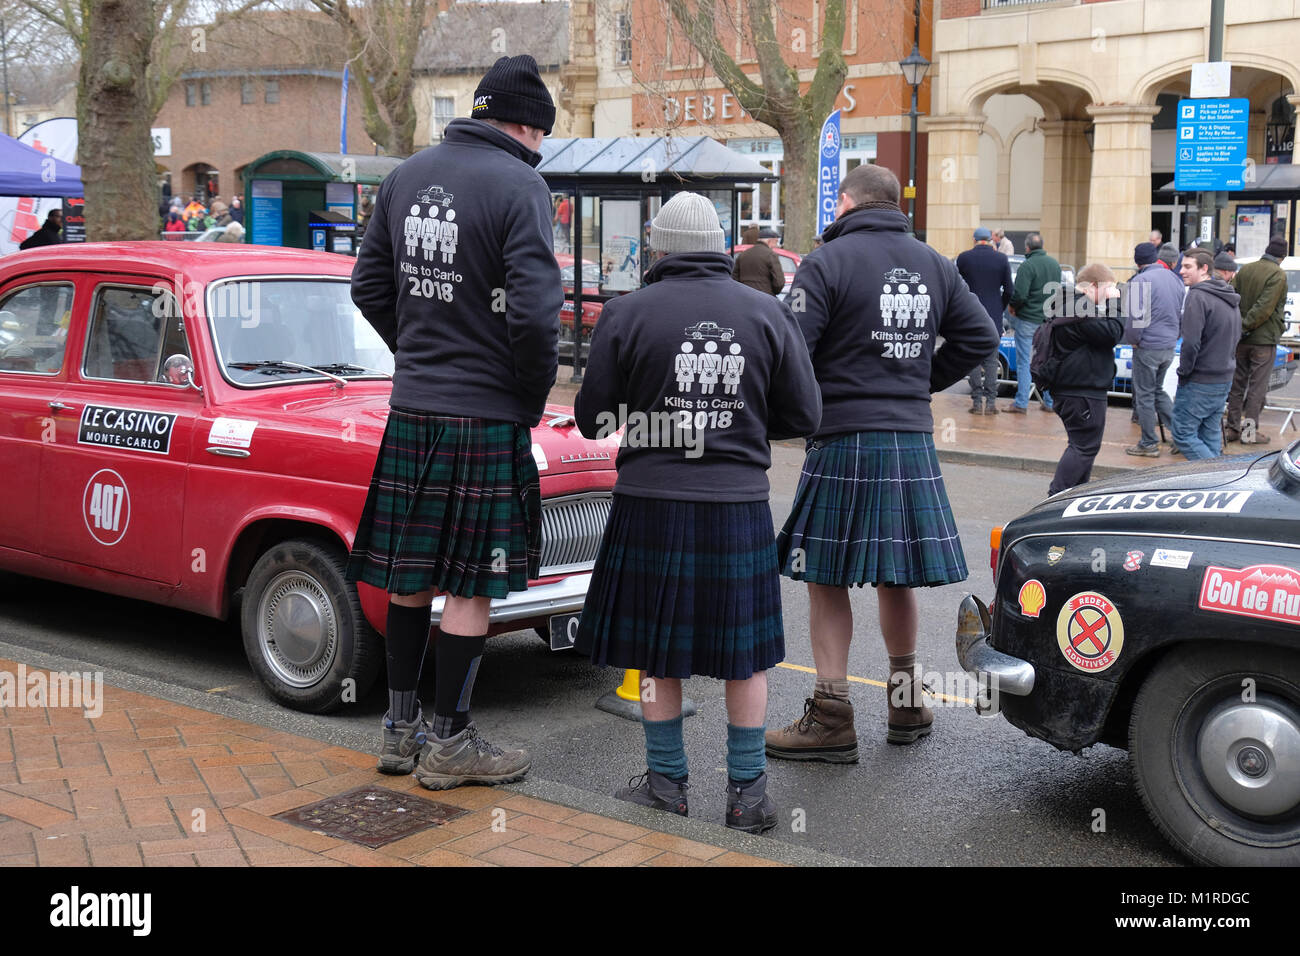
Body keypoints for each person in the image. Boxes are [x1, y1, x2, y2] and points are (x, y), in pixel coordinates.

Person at [573, 192, 821, 832]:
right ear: (718, 246)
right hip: (736, 503)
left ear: (659, 249)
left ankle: (666, 785)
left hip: (649, 501)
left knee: (657, 652)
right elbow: (805, 416)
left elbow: (591, 416)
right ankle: (748, 797)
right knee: (745, 654)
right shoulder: (765, 312)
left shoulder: (627, 312)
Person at [348, 54, 563, 790]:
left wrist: (416, 351)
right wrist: (526, 397)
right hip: (484, 412)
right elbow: (536, 319)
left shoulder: (407, 176)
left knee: (409, 577)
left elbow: (368, 284)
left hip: (413, 407)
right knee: (470, 586)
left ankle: (397, 730)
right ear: (529, 125)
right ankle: (451, 742)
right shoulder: (522, 184)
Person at [766, 164, 998, 759]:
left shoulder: (826, 263)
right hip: (908, 435)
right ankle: (905, 699)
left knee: (825, 578)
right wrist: (919, 382)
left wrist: (805, 406)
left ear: (846, 202)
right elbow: (980, 337)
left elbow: (792, 348)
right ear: (894, 204)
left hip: (843, 434)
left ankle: (833, 715)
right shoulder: (934, 263)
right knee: (898, 574)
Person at [1045, 264, 1126, 495]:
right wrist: (1116, 304)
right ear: (1093, 286)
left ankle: (1073, 498)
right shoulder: (1078, 309)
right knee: (1083, 447)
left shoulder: (1071, 306)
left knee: (1084, 447)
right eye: (1108, 289)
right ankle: (1057, 497)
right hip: (1081, 391)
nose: (1111, 293)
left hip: (1078, 388)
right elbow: (1113, 333)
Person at [1171, 248, 1239, 460]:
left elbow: (1190, 343)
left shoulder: (1198, 296)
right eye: (1182, 265)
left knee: (1183, 434)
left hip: (1201, 379)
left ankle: (1219, 479)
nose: (1181, 271)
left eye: (1188, 266)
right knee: (1209, 434)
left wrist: (1184, 372)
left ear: (1204, 269)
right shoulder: (1227, 295)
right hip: (1223, 376)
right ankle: (1216, 481)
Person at [1225, 236, 1289, 445]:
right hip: (1262, 339)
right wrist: (1245, 326)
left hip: (1241, 339)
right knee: (1256, 388)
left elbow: (1232, 296)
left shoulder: (1246, 269)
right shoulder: (1277, 274)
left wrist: (1238, 327)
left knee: (1237, 383)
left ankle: (1232, 427)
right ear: (1283, 256)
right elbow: (1264, 308)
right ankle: (1249, 433)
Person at [1122, 242, 1183, 457]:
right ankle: (1181, 437)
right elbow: (1178, 312)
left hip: (1148, 345)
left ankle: (1148, 443)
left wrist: (1133, 340)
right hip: (1168, 345)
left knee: (1145, 396)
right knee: (1158, 392)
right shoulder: (1175, 279)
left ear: (1137, 262)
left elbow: (1135, 320)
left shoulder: (1140, 280)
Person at [955, 226, 1013, 414]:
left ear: (974, 240)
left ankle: (977, 401)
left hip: (969, 315)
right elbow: (1009, 290)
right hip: (993, 316)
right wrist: (1000, 308)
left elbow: (956, 287)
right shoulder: (1001, 259)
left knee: (972, 360)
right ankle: (990, 403)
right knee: (990, 360)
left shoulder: (964, 258)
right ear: (990, 240)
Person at [1007, 232, 1061, 412]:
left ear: (1027, 247)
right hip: (1048, 321)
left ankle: (1021, 403)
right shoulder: (1055, 265)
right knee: (1046, 360)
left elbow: (1020, 294)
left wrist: (1013, 307)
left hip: (1028, 319)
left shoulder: (1027, 266)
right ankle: (1049, 401)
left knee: (1024, 362)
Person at [733, 223, 784, 295]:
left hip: (744, 297)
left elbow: (734, 278)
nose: (777, 245)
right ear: (769, 241)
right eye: (776, 242)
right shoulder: (771, 255)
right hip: (765, 297)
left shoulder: (743, 255)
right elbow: (779, 282)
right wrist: (772, 292)